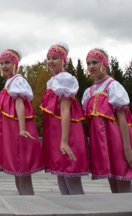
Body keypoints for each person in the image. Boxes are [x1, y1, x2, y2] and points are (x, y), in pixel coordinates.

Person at [82, 48, 132, 192]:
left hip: (118, 142)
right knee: (112, 182)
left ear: (104, 64)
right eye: (88, 63)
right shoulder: (89, 92)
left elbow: (123, 119)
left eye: (95, 62)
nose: (91, 66)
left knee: (123, 179)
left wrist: (127, 149)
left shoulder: (113, 86)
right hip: (102, 145)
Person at [0, 49, 43, 195]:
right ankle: (22, 201)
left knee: (22, 170)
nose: (3, 66)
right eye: (1, 63)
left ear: (15, 64)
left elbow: (20, 105)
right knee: (17, 172)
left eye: (7, 63)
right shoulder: (10, 82)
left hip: (18, 131)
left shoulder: (18, 81)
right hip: (11, 131)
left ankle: (28, 203)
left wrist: (22, 128)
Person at [40, 42, 88, 194]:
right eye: (48, 58)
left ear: (64, 61)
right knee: (61, 174)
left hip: (66, 134)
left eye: (54, 58)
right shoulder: (54, 80)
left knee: (70, 175)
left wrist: (65, 141)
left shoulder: (65, 79)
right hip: (56, 134)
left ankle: (80, 206)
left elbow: (65, 110)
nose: (50, 61)